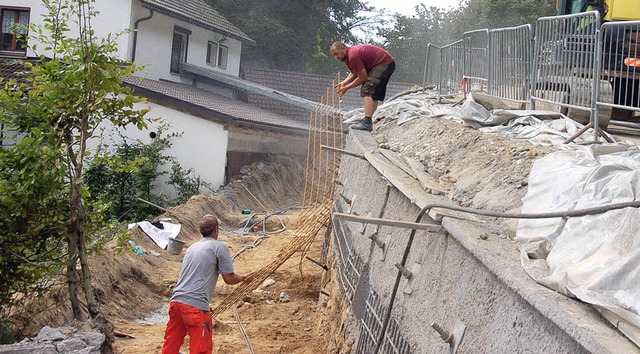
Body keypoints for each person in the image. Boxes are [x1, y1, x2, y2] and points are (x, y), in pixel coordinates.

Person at [162, 214, 254, 354]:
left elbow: (193, 279)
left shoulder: (192, 248)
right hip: (195, 309)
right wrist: (243, 278)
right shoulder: (220, 247)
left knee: (171, 347)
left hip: (176, 303)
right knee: (201, 349)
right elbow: (229, 279)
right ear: (216, 229)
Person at [330, 41, 396, 132]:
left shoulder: (353, 55)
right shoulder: (347, 58)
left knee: (367, 89)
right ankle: (367, 120)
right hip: (385, 63)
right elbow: (354, 72)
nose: (337, 57)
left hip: (383, 63)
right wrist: (344, 83)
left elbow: (362, 77)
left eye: (337, 54)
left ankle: (367, 122)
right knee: (374, 94)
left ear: (343, 48)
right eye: (334, 56)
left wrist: (347, 87)